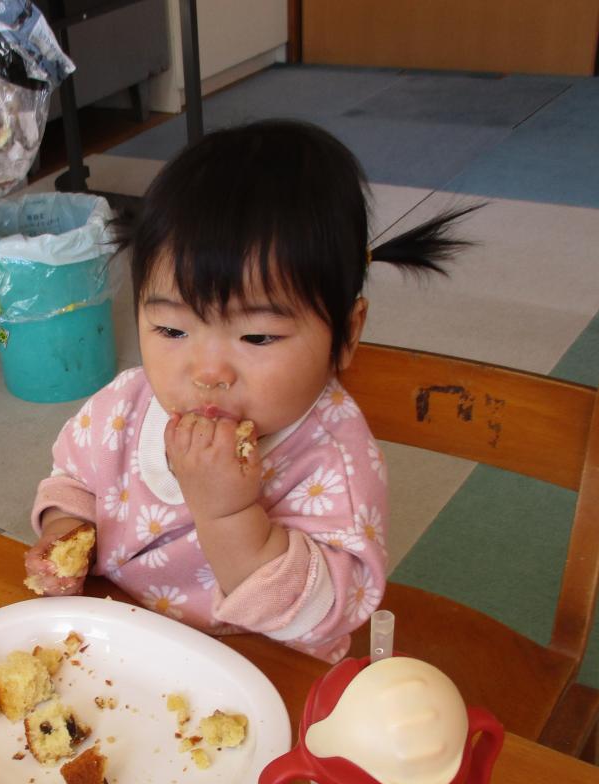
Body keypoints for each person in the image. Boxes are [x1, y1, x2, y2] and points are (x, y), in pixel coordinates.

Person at [24, 119, 476, 662]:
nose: (207, 372)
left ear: (348, 334)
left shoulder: (333, 461)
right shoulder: (129, 402)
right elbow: (74, 478)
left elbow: (323, 613)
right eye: (172, 330)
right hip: (114, 643)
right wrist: (66, 530)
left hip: (259, 667)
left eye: (257, 336)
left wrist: (228, 514)